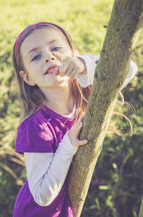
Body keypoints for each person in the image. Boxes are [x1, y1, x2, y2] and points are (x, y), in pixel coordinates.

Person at [12, 22, 137, 217]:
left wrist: (85, 63)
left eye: (55, 48)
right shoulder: (36, 127)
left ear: (72, 52)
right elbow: (42, 195)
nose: (49, 57)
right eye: (36, 56)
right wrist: (68, 144)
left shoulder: (87, 93)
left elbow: (129, 68)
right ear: (27, 77)